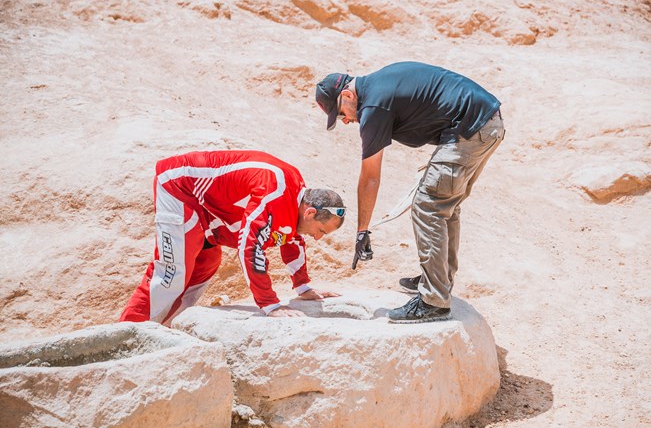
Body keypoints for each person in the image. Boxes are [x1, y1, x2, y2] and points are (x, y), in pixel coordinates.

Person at [315, 61, 505, 323]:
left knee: (429, 205)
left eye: (340, 114)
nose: (346, 121)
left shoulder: (373, 106)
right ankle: (437, 279)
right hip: (484, 123)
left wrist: (362, 231)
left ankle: (434, 301)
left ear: (347, 96)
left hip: (470, 128)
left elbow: (370, 177)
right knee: (444, 205)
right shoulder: (379, 85)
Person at [120, 150, 346, 325]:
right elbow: (249, 247)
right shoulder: (275, 191)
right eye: (321, 231)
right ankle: (127, 335)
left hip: (207, 208)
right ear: (310, 213)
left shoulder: (295, 199)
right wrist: (270, 304)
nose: (317, 238)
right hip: (178, 186)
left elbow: (291, 238)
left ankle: (166, 330)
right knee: (172, 273)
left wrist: (303, 287)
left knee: (206, 263)